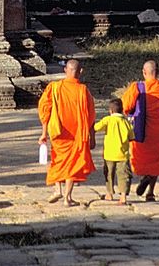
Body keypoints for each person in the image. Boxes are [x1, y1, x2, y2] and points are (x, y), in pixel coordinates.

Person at [38, 59, 96, 206]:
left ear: (65, 70)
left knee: (58, 160)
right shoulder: (84, 91)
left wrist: (44, 133)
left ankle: (58, 189)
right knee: (72, 164)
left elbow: (46, 111)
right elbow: (91, 116)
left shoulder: (54, 87)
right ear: (80, 71)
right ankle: (67, 198)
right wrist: (92, 137)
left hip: (59, 133)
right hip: (77, 134)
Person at [122, 59, 159, 201]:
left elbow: (126, 107)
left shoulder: (137, 87)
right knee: (157, 160)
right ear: (157, 73)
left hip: (141, 131)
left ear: (144, 72)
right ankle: (151, 192)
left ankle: (145, 176)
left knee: (142, 159)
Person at [94, 97, 133, 204]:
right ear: (122, 109)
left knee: (108, 174)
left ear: (110, 110)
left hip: (109, 154)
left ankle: (109, 194)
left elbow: (96, 128)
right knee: (124, 174)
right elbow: (131, 136)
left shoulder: (107, 120)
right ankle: (123, 196)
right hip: (123, 154)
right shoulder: (126, 122)